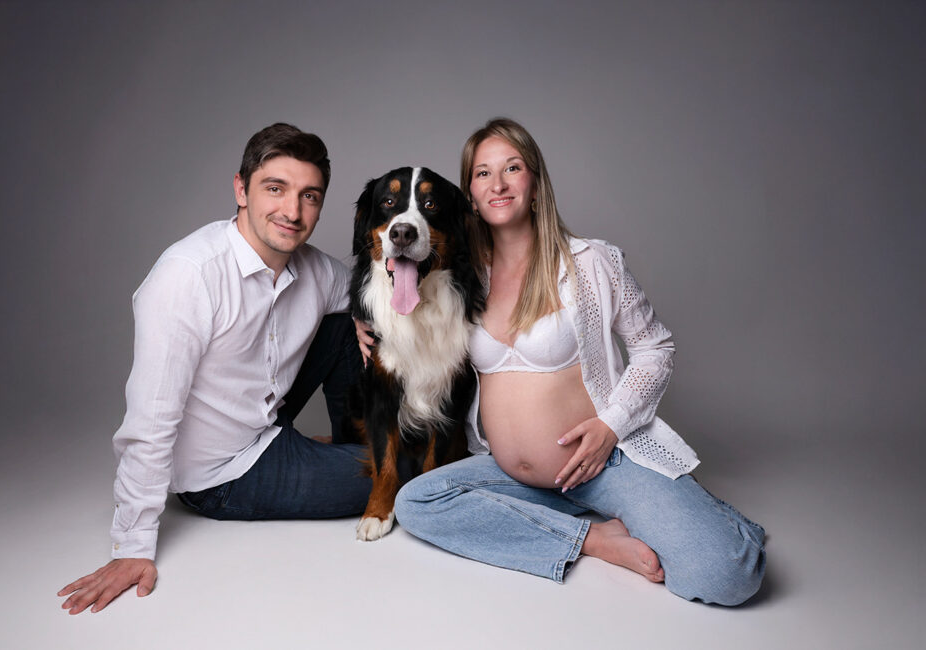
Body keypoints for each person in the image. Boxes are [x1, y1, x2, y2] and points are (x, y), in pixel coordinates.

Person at [389, 118, 766, 605]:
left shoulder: (591, 262)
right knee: (417, 503)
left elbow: (656, 347)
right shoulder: (458, 278)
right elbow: (396, 312)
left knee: (727, 577)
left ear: (536, 183)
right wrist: (359, 324)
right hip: (510, 472)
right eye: (482, 174)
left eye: (512, 168)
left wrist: (611, 425)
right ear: (470, 194)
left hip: (605, 465)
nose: (498, 184)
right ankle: (590, 540)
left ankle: (706, 515)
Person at [58, 123, 371, 615]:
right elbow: (150, 420)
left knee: (351, 318)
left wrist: (365, 313)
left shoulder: (312, 269)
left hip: (267, 420)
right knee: (397, 477)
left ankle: (356, 441)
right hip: (224, 472)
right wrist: (132, 547)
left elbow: (365, 287)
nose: (292, 211)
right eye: (275, 189)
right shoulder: (189, 276)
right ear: (240, 189)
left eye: (309, 196)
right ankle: (362, 459)